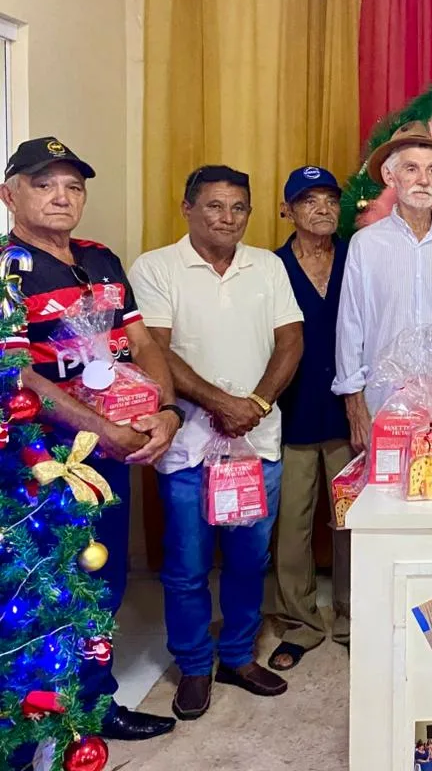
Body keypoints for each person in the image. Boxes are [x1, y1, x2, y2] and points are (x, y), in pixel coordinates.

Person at [0, 137, 181, 741]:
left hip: (111, 454)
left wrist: (165, 412)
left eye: (73, 186)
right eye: (44, 184)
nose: (62, 196)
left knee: (101, 581)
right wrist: (103, 428)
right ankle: (36, 723)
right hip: (40, 462)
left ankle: (94, 705)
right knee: (43, 589)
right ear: (9, 195)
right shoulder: (6, 270)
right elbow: (19, 374)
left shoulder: (101, 258)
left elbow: (144, 343)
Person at [129, 165, 304, 719]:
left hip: (256, 446)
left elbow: (290, 341)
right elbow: (155, 350)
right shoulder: (156, 267)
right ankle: (193, 664)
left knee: (250, 560)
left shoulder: (268, 266)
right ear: (187, 208)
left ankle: (237, 656)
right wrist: (221, 404)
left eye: (238, 208)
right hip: (186, 447)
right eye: (214, 206)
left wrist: (255, 405)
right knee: (186, 566)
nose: (228, 218)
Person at [334, 123, 432, 462]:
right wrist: (355, 405)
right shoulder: (365, 245)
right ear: (390, 177)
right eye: (411, 169)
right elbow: (350, 328)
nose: (423, 179)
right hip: (384, 406)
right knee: (386, 491)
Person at [268, 166, 352, 673]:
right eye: (309, 201)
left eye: (330, 200)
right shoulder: (271, 267)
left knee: (351, 520)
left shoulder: (356, 257)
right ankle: (300, 621)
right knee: (293, 521)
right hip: (293, 412)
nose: (322, 209)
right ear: (288, 210)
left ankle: (351, 616)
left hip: (349, 411)